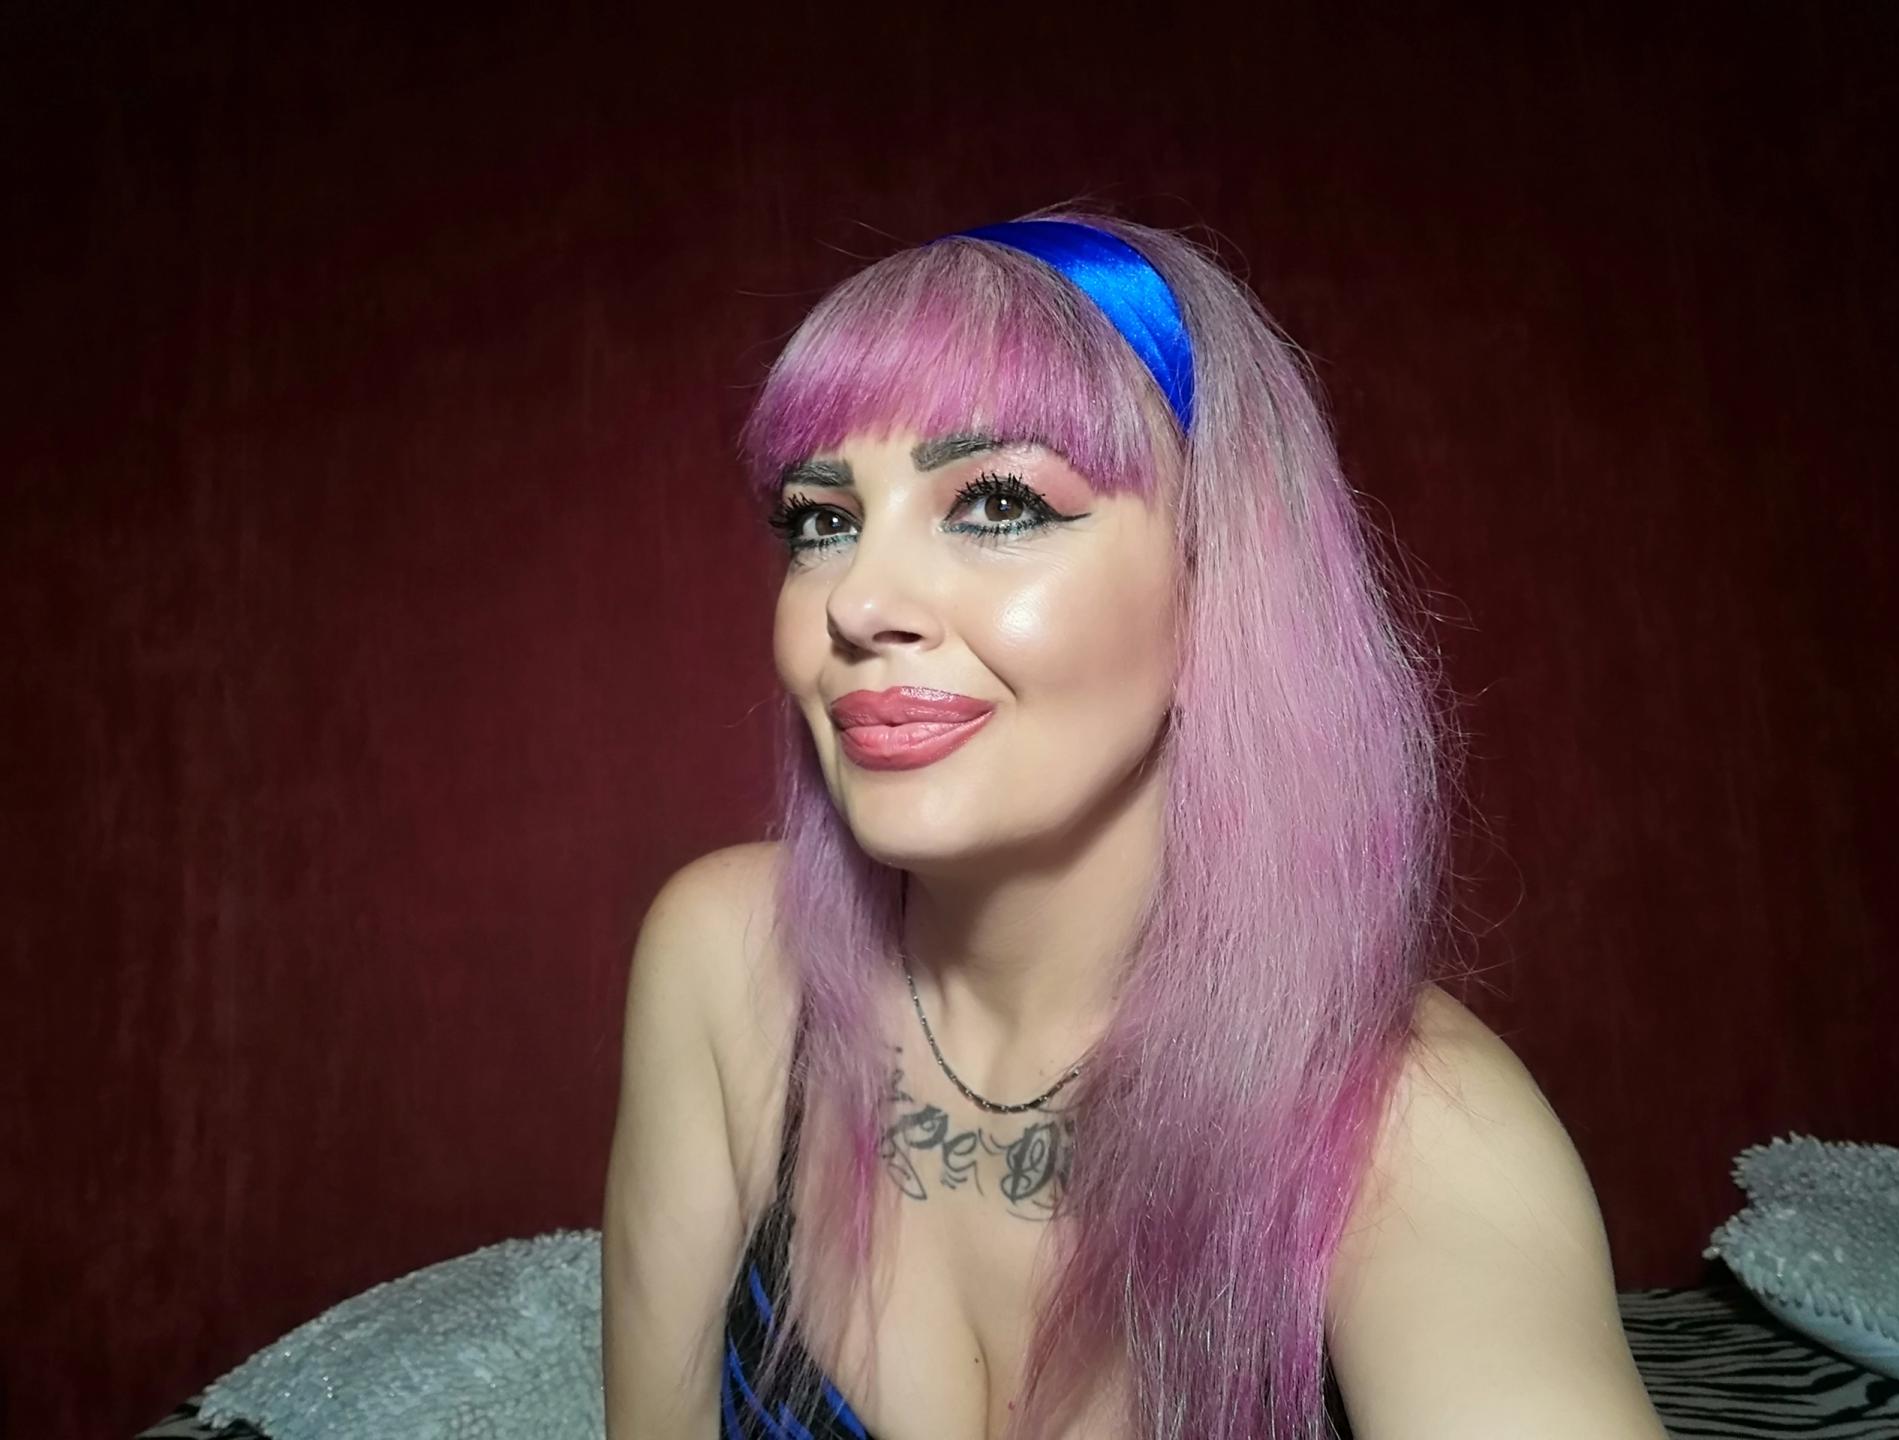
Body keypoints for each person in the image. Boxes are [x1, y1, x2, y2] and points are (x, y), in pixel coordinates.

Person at [601, 205, 1670, 1440]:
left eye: (998, 503)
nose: (859, 600)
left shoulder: (1413, 1134)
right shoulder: (729, 965)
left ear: (1219, 580)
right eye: (821, 520)